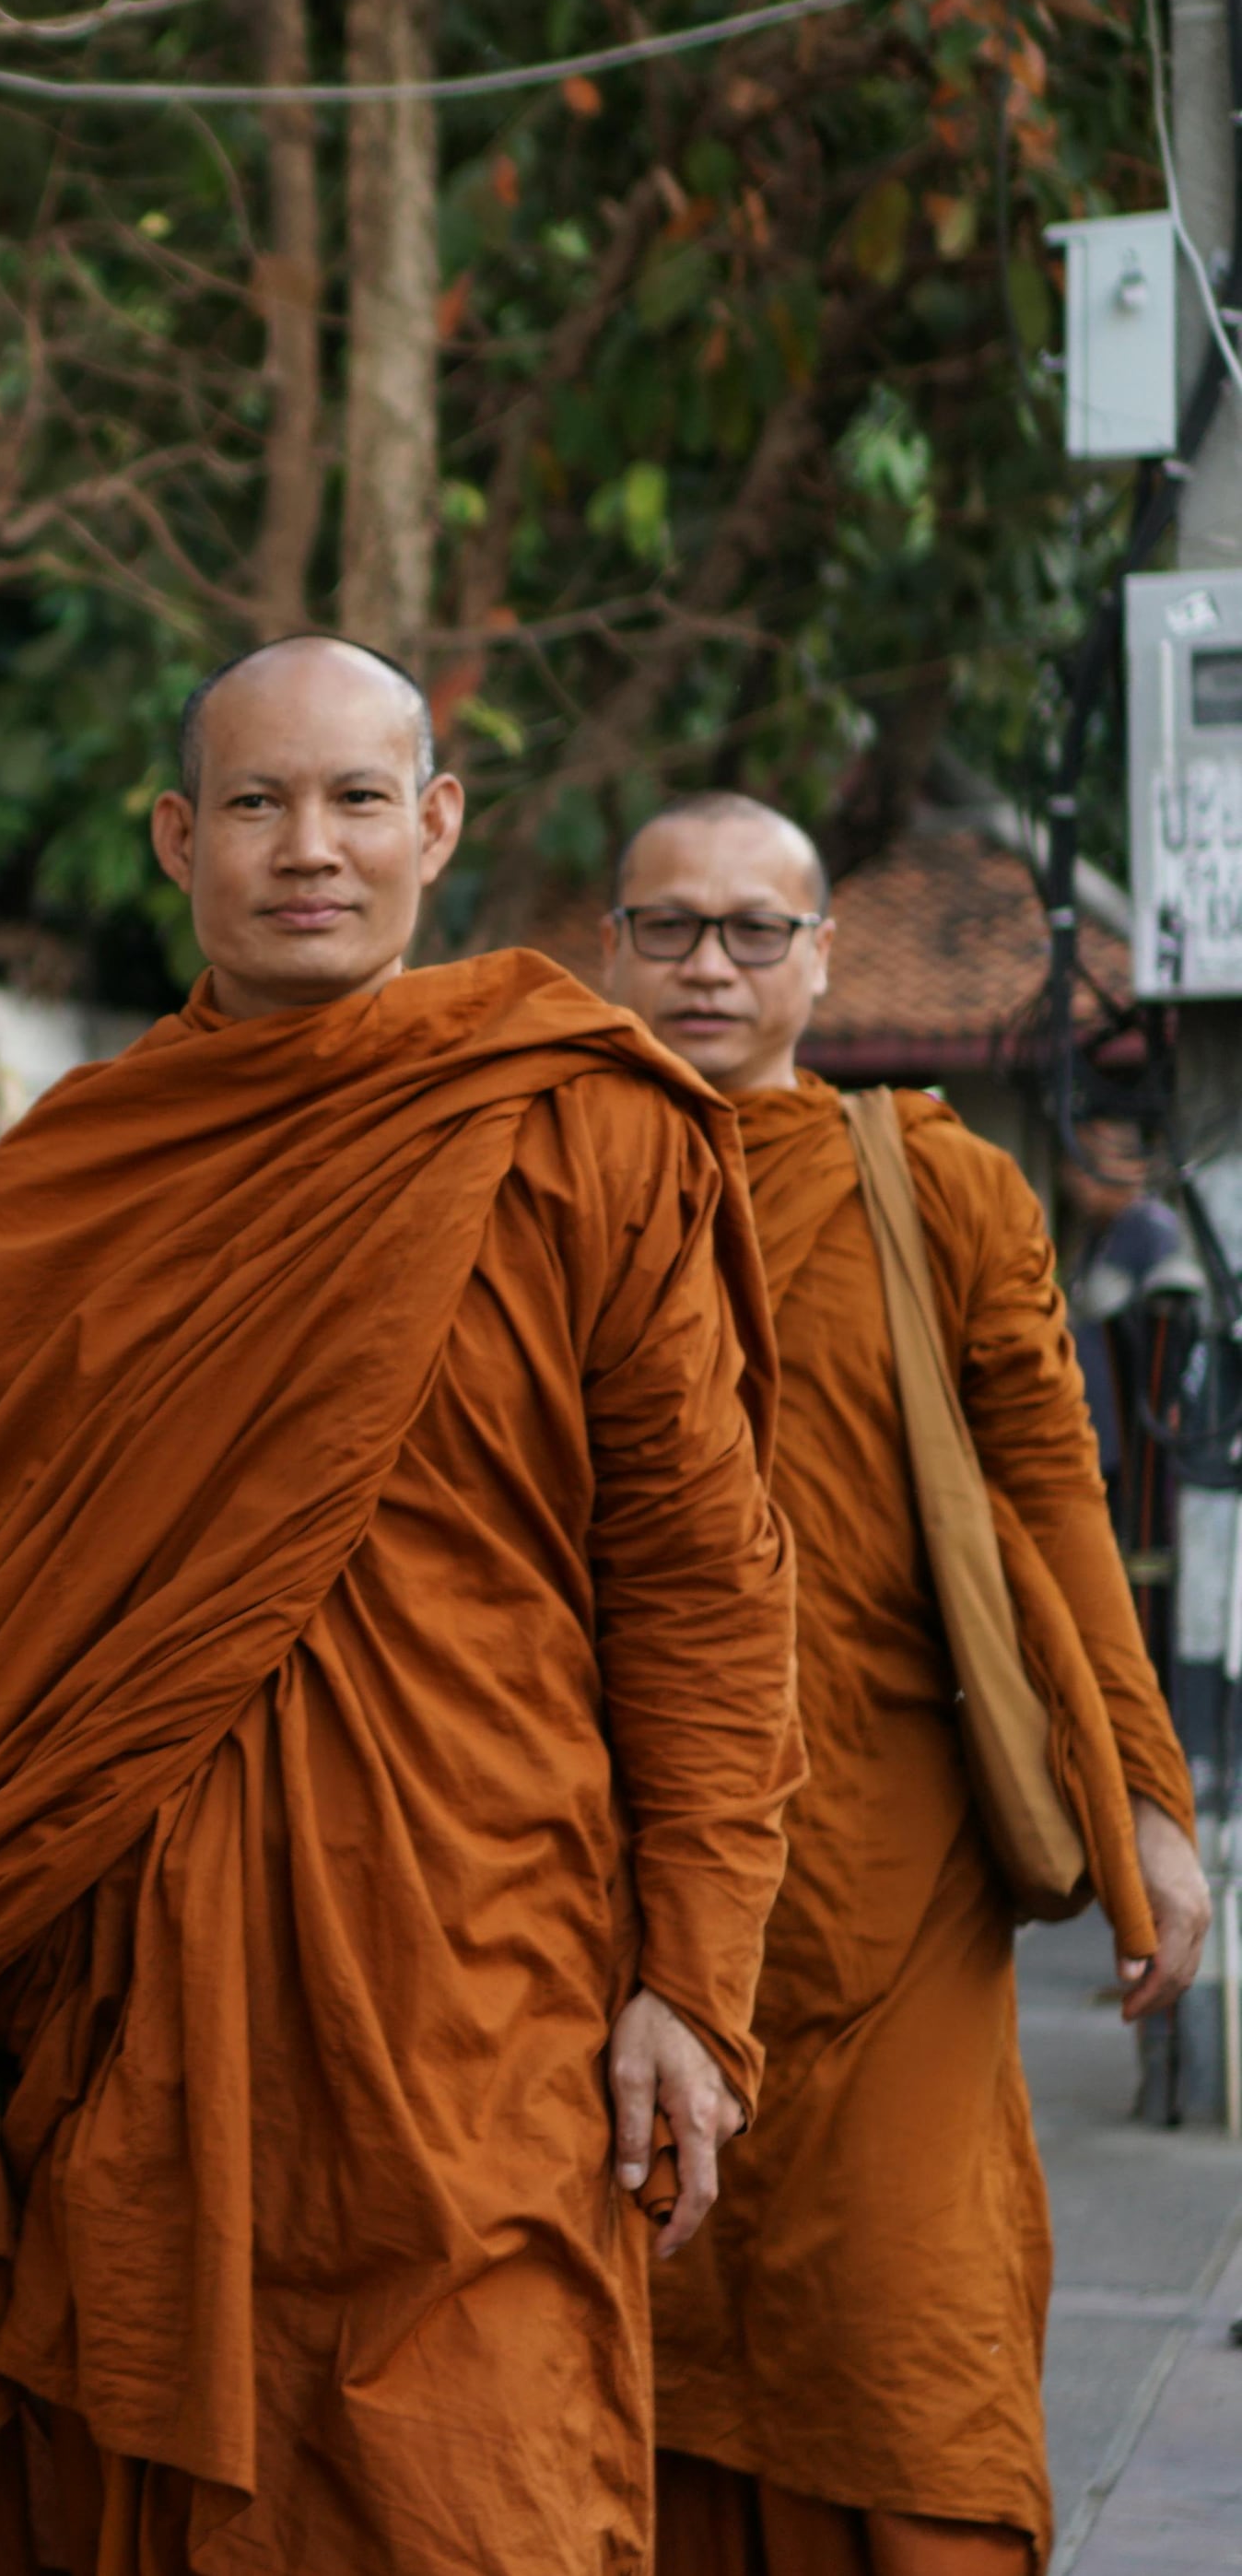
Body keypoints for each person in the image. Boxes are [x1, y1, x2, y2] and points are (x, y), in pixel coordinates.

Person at [0, 636, 804, 2574]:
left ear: (434, 825)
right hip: (125, 2013)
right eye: (258, 805)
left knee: (484, 2495)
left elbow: (703, 1584)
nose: (310, 848)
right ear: (175, 839)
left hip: (479, 1990)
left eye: (358, 798)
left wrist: (692, 1981)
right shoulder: (74, 1173)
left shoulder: (579, 1130)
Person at [595, 791, 1214, 2576]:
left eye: (752, 930)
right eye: (671, 928)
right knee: (642, 2338)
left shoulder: (938, 1186)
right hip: (607, 1875)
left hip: (891, 1866)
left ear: (820, 957)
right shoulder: (544, 1185)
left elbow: (1054, 1491)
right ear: (612, 951)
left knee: (908, 2315)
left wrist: (1153, 1813)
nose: (710, 964)